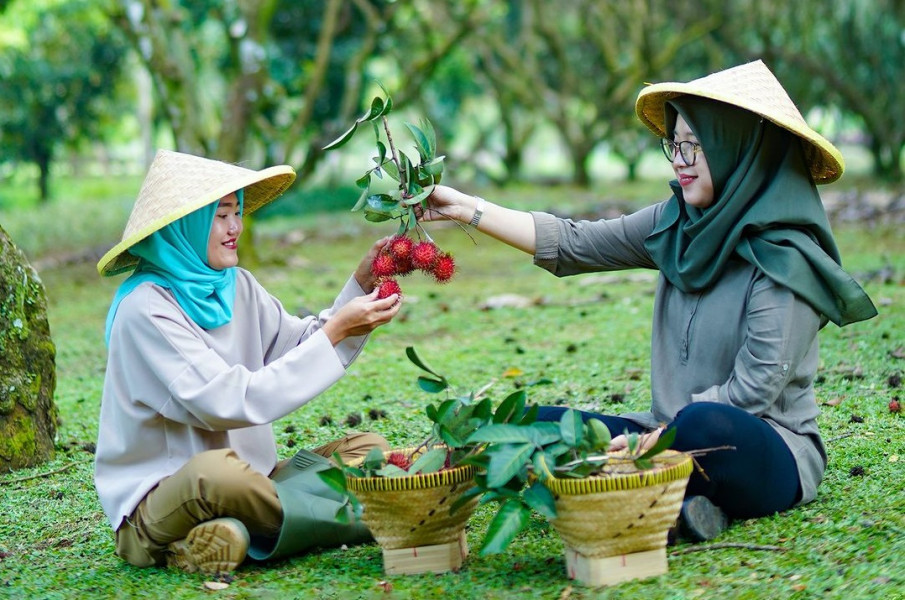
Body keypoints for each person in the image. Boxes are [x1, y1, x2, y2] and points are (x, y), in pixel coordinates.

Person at [420, 60, 877, 542]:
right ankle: (679, 508)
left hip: (759, 449)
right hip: (660, 433)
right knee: (526, 425)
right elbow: (576, 243)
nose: (679, 159)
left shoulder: (785, 259)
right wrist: (466, 208)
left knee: (704, 423)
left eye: (695, 145)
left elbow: (753, 391)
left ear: (738, 147)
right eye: (674, 145)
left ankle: (654, 493)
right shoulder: (676, 224)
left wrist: (643, 444)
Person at [94, 149, 402, 574]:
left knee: (369, 451)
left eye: (236, 212)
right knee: (217, 474)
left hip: (259, 481)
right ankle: (370, 516)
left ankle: (234, 533)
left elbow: (298, 347)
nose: (235, 226)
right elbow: (228, 402)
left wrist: (359, 286)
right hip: (165, 499)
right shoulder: (145, 310)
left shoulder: (236, 285)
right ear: (185, 224)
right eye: (221, 215)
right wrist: (335, 332)